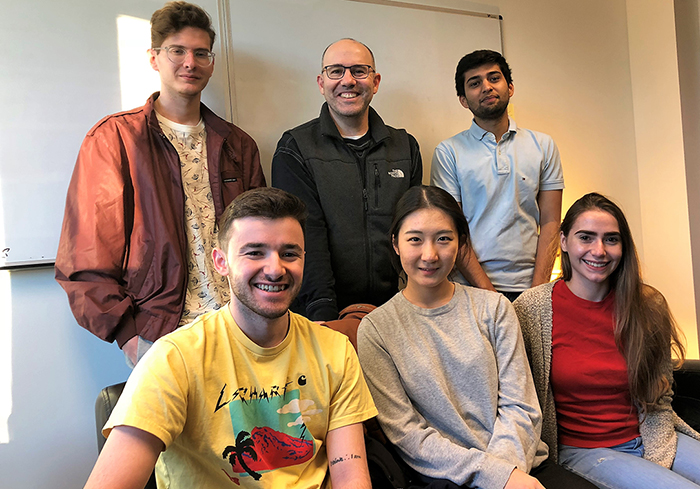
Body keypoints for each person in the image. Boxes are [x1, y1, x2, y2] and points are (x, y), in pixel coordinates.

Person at [84, 187, 377, 489]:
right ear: (221, 262)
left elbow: (350, 476)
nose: (275, 269)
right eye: (254, 252)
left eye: (289, 253)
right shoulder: (175, 358)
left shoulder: (335, 349)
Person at [55, 1, 266, 366]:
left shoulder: (238, 144)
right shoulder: (115, 139)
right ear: (154, 58)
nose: (190, 62)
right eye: (177, 51)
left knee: (250, 424)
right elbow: (86, 253)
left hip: (240, 326)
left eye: (202, 53)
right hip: (162, 334)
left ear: (212, 63)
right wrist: (128, 335)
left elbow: (261, 238)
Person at [357, 185, 597, 489]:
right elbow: (408, 434)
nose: (429, 254)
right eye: (415, 240)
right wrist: (495, 477)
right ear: (395, 244)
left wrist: (507, 474)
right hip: (447, 477)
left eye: (444, 239)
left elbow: (520, 407)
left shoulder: (494, 308)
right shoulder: (377, 329)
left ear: (461, 243)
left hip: (523, 466)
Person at [513, 192, 700, 489]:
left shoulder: (648, 305)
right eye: (585, 237)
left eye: (611, 239)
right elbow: (515, 400)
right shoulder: (530, 309)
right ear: (563, 241)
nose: (598, 250)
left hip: (651, 433)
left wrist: (656, 457)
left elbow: (660, 395)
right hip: (584, 451)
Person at [272, 38, 422, 321]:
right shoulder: (295, 149)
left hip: (395, 311)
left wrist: (411, 302)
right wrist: (324, 314)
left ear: (375, 82)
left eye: (359, 71)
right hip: (320, 313)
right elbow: (305, 236)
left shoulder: (405, 147)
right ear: (321, 82)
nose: (348, 80)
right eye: (336, 71)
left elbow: (413, 232)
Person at [431, 50, 563, 301]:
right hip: (469, 288)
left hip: (531, 286)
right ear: (463, 99)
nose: (486, 87)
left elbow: (551, 222)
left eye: (494, 78)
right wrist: (490, 295)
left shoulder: (543, 145)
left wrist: (536, 293)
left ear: (510, 87)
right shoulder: (449, 152)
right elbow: (451, 231)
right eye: (475, 83)